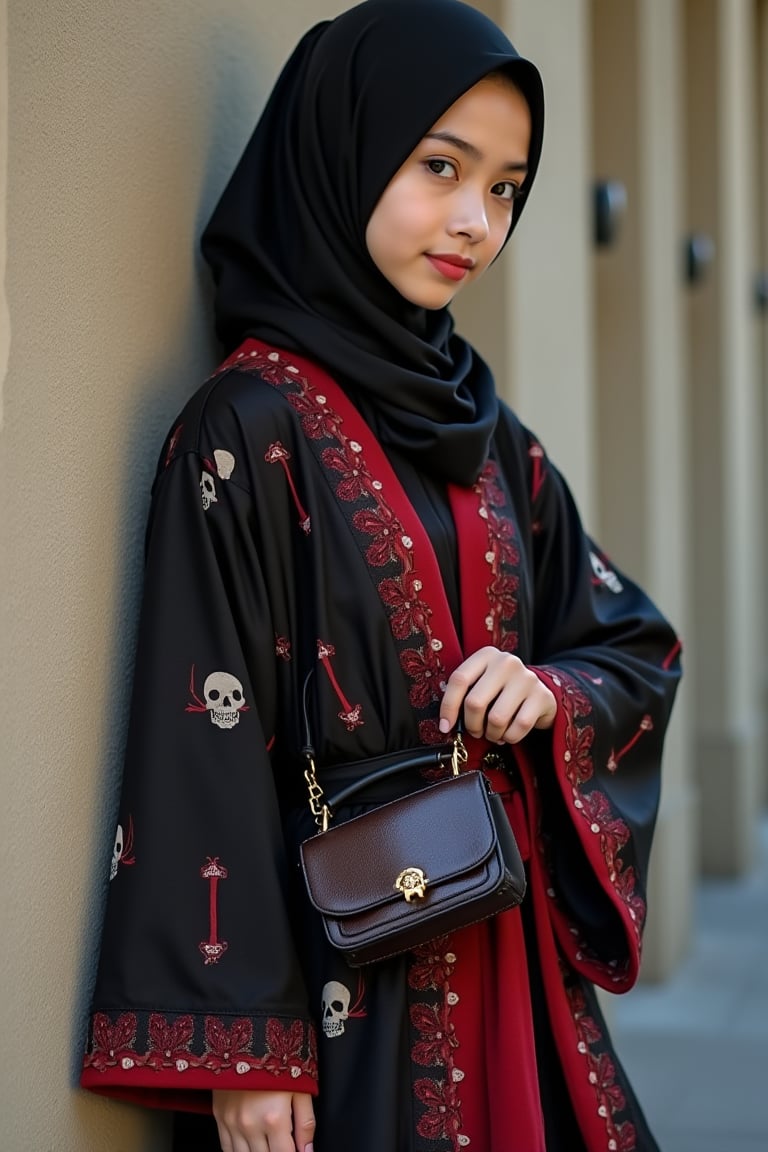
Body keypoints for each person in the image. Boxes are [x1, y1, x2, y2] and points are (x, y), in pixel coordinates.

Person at [80, 1, 682, 1150]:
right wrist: (252, 1044)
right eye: (440, 166)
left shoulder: (488, 429)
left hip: (506, 949)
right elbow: (200, 745)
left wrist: (547, 693)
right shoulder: (246, 428)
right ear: (342, 151)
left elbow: (631, 644)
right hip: (344, 975)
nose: (475, 221)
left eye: (505, 186)